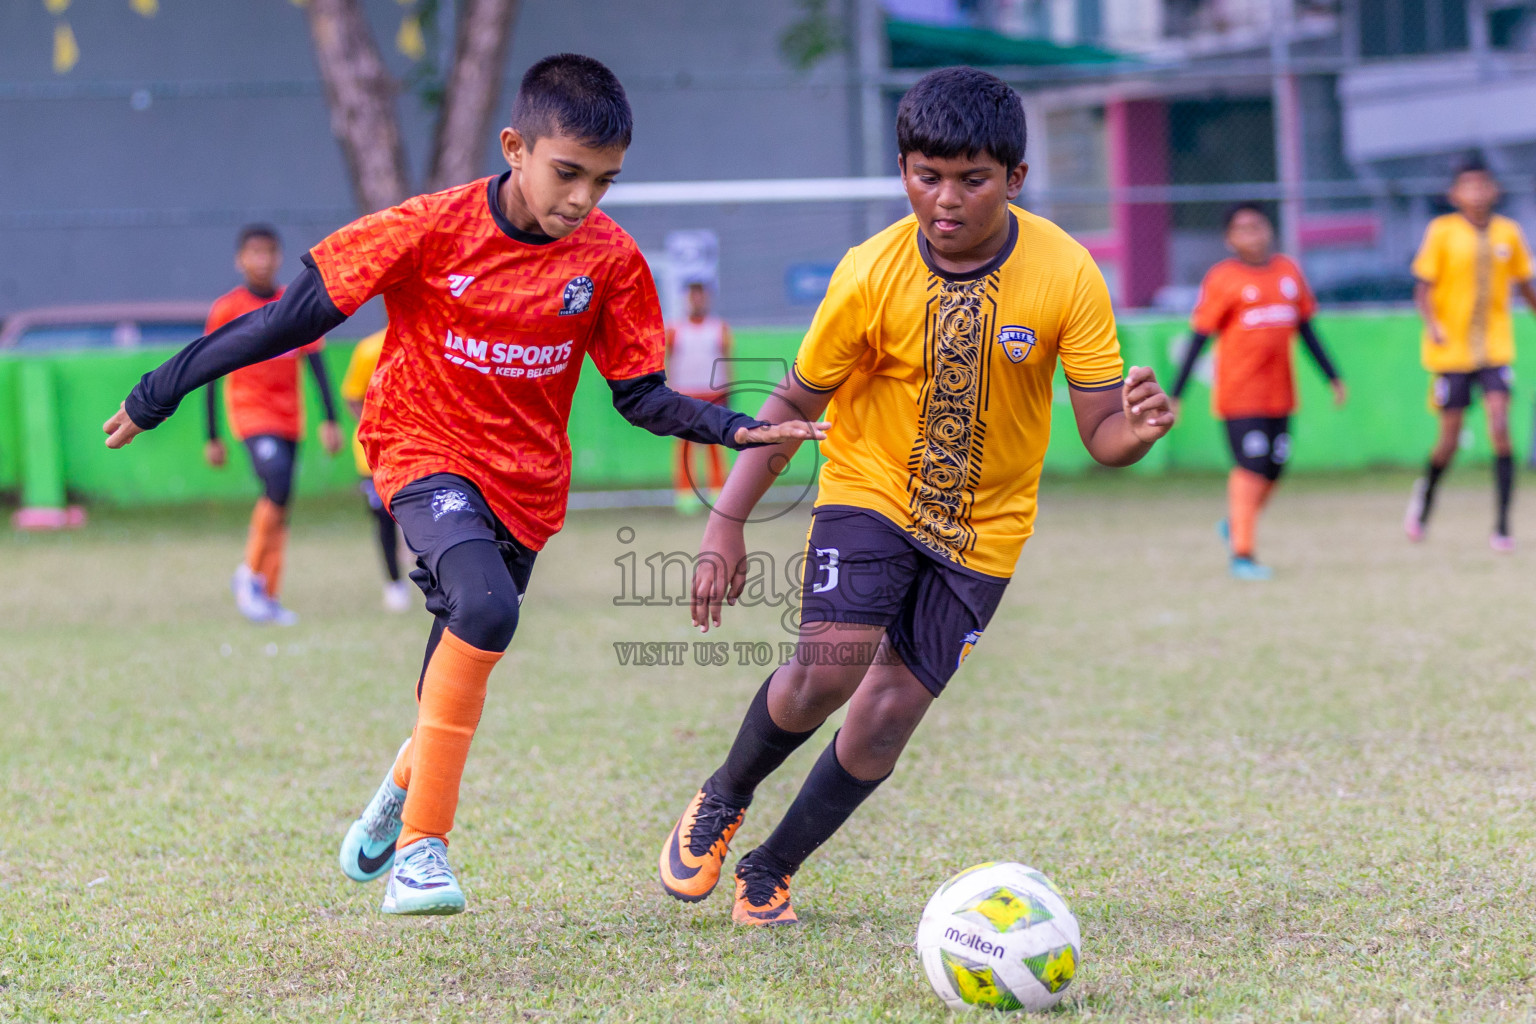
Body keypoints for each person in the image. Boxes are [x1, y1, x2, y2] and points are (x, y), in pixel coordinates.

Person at [102, 53, 823, 917]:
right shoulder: (429, 227)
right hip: (420, 449)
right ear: (514, 146)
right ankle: (422, 851)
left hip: (527, 488)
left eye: (604, 181)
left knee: (457, 658)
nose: (583, 199)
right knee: (485, 613)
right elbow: (286, 319)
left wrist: (735, 427)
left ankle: (400, 789)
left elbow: (638, 396)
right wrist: (161, 389)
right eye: (567, 173)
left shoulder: (610, 260)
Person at [657, 66, 1173, 928]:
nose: (945, 199)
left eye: (971, 179)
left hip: (985, 532)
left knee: (887, 716)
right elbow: (792, 407)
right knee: (830, 669)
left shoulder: (1067, 274)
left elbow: (1102, 436)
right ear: (903, 169)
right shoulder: (869, 273)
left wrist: (1139, 429)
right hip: (870, 493)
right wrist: (726, 521)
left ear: (1014, 179)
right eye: (926, 176)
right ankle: (724, 793)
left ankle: (772, 868)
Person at [1169, 203, 1346, 581]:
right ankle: (1243, 554)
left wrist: (1333, 376)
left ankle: (1236, 523)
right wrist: (1176, 393)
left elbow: (1307, 330)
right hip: (1239, 395)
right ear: (1230, 238)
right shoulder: (1223, 278)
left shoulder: (1288, 272)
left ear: (1271, 230)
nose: (1252, 234)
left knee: (1274, 468)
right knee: (1249, 469)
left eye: (1258, 226)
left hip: (1280, 395)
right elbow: (1199, 338)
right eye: (1242, 228)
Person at [202, 223, 342, 625]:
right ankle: (248, 574)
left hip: (290, 417)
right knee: (276, 482)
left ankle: (268, 591)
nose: (262, 261)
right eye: (254, 253)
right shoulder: (227, 309)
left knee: (282, 503)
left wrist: (330, 420)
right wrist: (211, 435)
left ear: (279, 257)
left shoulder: (292, 302)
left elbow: (316, 362)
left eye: (269, 253)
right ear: (240, 259)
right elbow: (208, 370)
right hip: (251, 414)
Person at [1405, 157, 1536, 551]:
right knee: (1448, 440)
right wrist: (1433, 324)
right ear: (1454, 194)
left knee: (1500, 425)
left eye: (1484, 185)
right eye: (1469, 186)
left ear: (1495, 191)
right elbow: (1423, 289)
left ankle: (1502, 527)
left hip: (1495, 348)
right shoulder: (1442, 232)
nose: (1477, 193)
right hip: (1452, 354)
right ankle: (1424, 501)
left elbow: (1525, 283)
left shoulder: (1508, 233)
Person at [340, 327, 413, 613]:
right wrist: (375, 427)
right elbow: (352, 396)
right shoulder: (370, 349)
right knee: (382, 517)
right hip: (374, 454)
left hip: (419, 451)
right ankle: (394, 584)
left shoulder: (433, 342)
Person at [665, 278, 733, 514]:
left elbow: (727, 361)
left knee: (715, 444)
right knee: (685, 447)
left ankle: (717, 492)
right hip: (685, 395)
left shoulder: (719, 328)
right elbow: (668, 362)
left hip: (713, 393)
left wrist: (729, 391)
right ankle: (685, 495)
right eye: (693, 295)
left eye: (701, 294)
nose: (697, 299)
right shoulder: (675, 329)